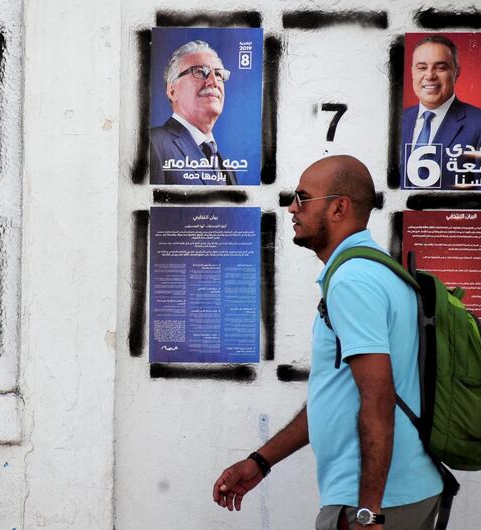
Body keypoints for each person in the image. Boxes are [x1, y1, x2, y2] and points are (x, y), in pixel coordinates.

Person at [213, 156, 443, 530]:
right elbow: (334, 396)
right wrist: (261, 461)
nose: (292, 208)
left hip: (373, 501)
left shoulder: (353, 281)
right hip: (398, 493)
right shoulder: (376, 270)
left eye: (303, 198)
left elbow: (378, 399)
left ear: (339, 207)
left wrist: (369, 512)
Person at [400, 35, 481, 190]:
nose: (430, 75)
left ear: (456, 72)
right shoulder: (397, 123)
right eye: (422, 67)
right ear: (412, 72)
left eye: (441, 67)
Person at [150, 40, 237, 186]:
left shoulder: (228, 169)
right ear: (172, 90)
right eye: (200, 72)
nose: (214, 82)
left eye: (218, 74)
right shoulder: (151, 144)